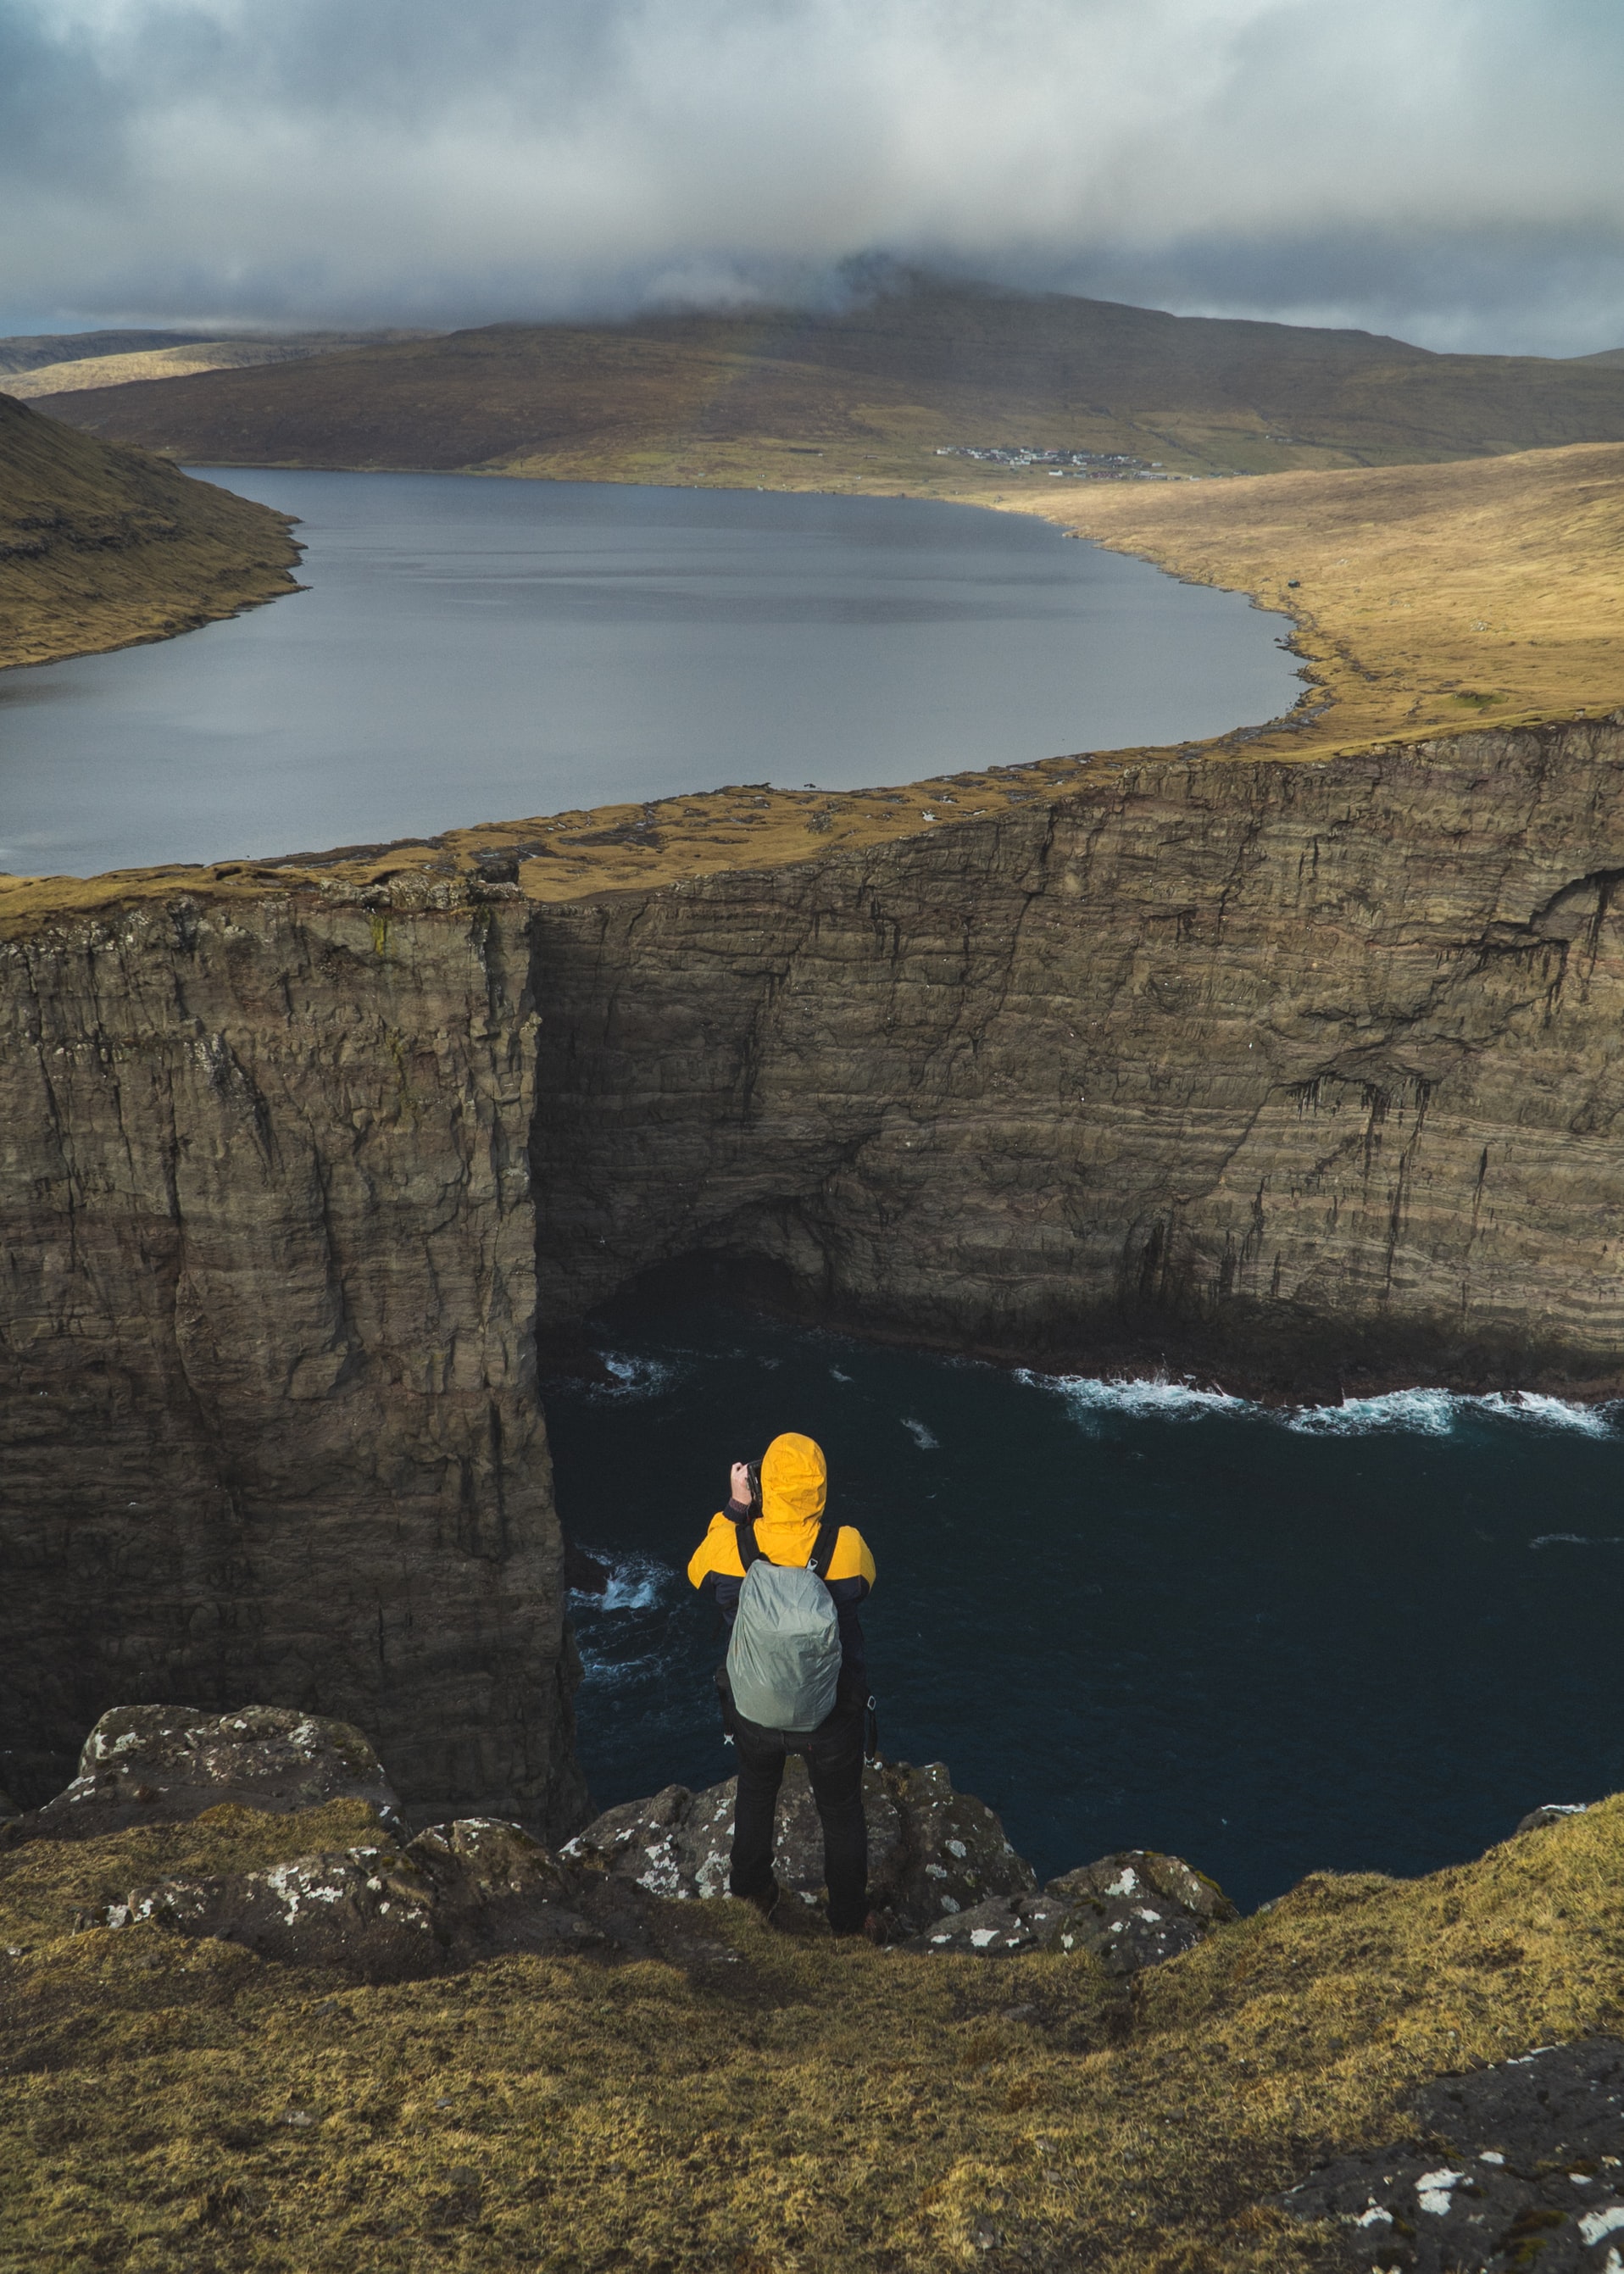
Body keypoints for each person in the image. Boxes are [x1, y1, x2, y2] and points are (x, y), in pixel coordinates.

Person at [687, 1432, 876, 1936]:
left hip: (753, 1708)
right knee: (840, 1813)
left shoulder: (731, 1543)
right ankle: (849, 1921)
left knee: (755, 1792)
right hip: (831, 1714)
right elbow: (867, 1586)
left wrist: (734, 1508)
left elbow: (695, 1571)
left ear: (760, 1482)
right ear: (820, 1488)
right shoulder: (845, 1546)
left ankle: (751, 1895)